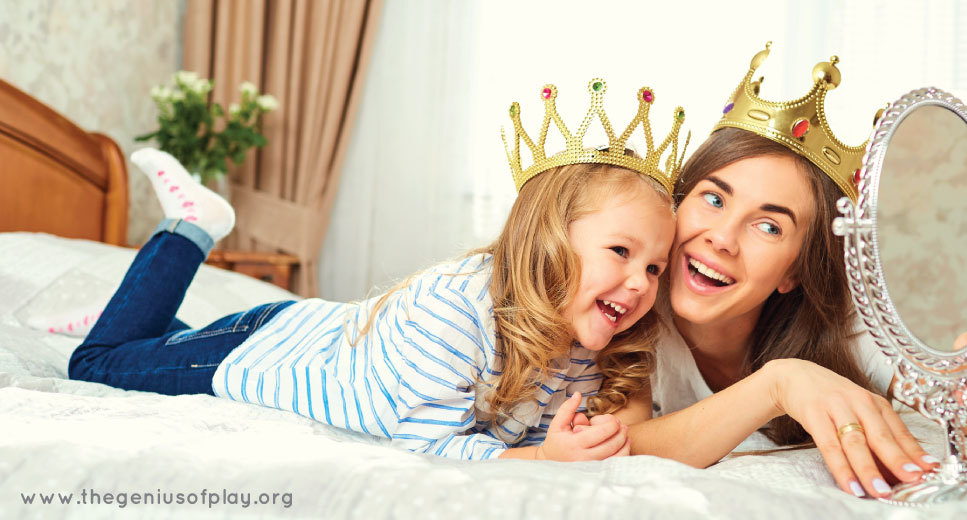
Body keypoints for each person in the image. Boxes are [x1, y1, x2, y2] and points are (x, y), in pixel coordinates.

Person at [612, 46, 967, 498]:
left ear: (792, 273)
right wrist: (778, 384)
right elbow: (616, 445)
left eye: (770, 227)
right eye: (712, 198)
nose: (721, 238)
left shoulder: (854, 326)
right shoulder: (627, 295)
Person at [69, 78, 685, 462]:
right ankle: (188, 226)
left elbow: (518, 437)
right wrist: (544, 463)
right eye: (621, 252)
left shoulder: (583, 338)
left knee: (151, 341)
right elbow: (432, 448)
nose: (641, 284)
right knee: (95, 361)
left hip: (317, 330)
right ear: (548, 238)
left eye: (656, 267)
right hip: (259, 350)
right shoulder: (454, 308)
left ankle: (143, 319)